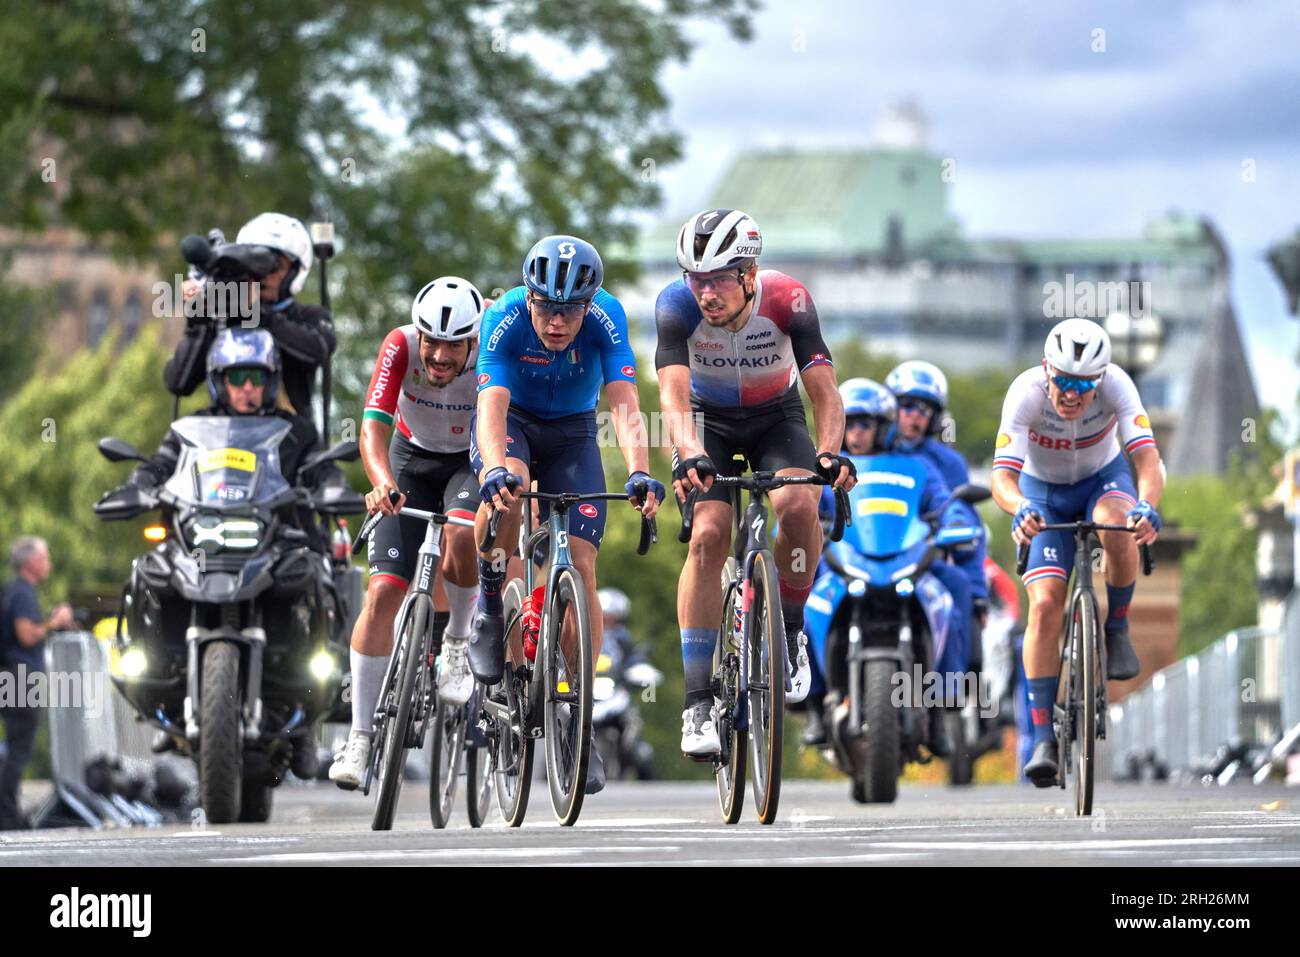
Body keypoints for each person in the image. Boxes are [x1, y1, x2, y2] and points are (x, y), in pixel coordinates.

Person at [654, 208, 854, 758]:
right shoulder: (674, 305)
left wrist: (830, 453)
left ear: (749, 274)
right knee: (708, 535)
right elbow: (672, 397)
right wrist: (688, 452)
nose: (706, 293)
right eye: (697, 279)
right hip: (707, 424)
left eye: (718, 279)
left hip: (776, 418)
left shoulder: (789, 299)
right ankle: (697, 704)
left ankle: (790, 630)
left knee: (797, 504)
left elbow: (825, 394)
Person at [468, 235, 663, 796]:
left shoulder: (607, 319)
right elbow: (490, 407)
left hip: (573, 434)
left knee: (581, 565)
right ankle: (488, 602)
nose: (557, 321)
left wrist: (639, 471)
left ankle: (581, 726)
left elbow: (625, 404)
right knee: (511, 490)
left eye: (570, 309)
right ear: (529, 299)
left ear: (589, 304)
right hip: (514, 426)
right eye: (547, 307)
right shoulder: (504, 318)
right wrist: (491, 472)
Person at [329, 277, 486, 789]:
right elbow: (373, 426)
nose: (439, 356)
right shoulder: (400, 345)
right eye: (431, 342)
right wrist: (381, 484)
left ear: (473, 340)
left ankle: (457, 643)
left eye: (452, 345)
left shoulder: (492, 348)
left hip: (467, 462)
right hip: (410, 460)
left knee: (462, 536)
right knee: (381, 595)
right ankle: (359, 738)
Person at [992, 318, 1163, 786]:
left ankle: (1118, 627)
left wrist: (1147, 505)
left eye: (1083, 386)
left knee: (1119, 524)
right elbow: (1001, 479)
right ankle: (1044, 734)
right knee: (1045, 606)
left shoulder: (1119, 388)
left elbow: (1148, 461)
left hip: (1102, 479)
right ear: (1047, 371)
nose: (1071, 394)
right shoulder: (1024, 392)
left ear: (1101, 380)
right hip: (1041, 491)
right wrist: (1019, 507)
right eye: (1062, 382)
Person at [806, 378, 959, 755]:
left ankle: (942, 705)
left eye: (866, 423)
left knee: (950, 603)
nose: (857, 432)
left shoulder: (917, 467)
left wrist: (956, 522)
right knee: (805, 607)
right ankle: (811, 703)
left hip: (904, 563)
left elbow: (945, 504)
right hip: (840, 563)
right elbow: (799, 512)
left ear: (883, 426)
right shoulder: (823, 470)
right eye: (850, 422)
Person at [164, 212, 335, 417]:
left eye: (275, 267)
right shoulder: (224, 318)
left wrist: (258, 313)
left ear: (295, 271)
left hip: (292, 442)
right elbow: (179, 383)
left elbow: (320, 349)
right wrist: (199, 319)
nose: (264, 277)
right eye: (257, 268)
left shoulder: (309, 316)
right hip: (223, 441)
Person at [131, 328, 326, 502]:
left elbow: (321, 469)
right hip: (198, 525)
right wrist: (140, 483)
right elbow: (162, 463)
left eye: (257, 377)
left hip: (280, 532)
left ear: (270, 382)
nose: (248, 387)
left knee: (308, 542)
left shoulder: (297, 432)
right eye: (238, 377)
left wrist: (333, 486)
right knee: (164, 543)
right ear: (221, 381)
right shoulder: (190, 428)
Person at [0, 537, 74, 830]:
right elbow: (27, 635)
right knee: (18, 748)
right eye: (44, 558)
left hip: (10, 673)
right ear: (30, 562)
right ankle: (6, 816)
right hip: (21, 677)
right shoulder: (23, 593)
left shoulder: (11, 590)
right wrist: (54, 623)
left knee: (11, 748)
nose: (49, 564)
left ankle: (8, 812)